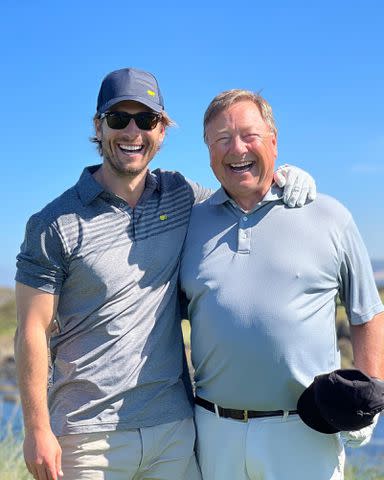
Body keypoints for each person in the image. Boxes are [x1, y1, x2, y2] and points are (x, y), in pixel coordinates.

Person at [14, 68, 315, 480]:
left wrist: (285, 178)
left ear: (162, 129)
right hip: (88, 439)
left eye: (147, 119)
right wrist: (36, 430)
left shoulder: (181, 194)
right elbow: (32, 330)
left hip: (175, 431)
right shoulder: (55, 223)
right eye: (119, 119)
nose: (132, 131)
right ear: (98, 127)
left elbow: (244, 193)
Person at [179, 89, 384, 480]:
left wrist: (369, 397)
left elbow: (367, 313)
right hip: (213, 432)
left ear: (274, 140)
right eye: (221, 139)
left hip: (304, 432)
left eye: (248, 135)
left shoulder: (329, 216)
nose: (236, 148)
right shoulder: (190, 224)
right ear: (208, 151)